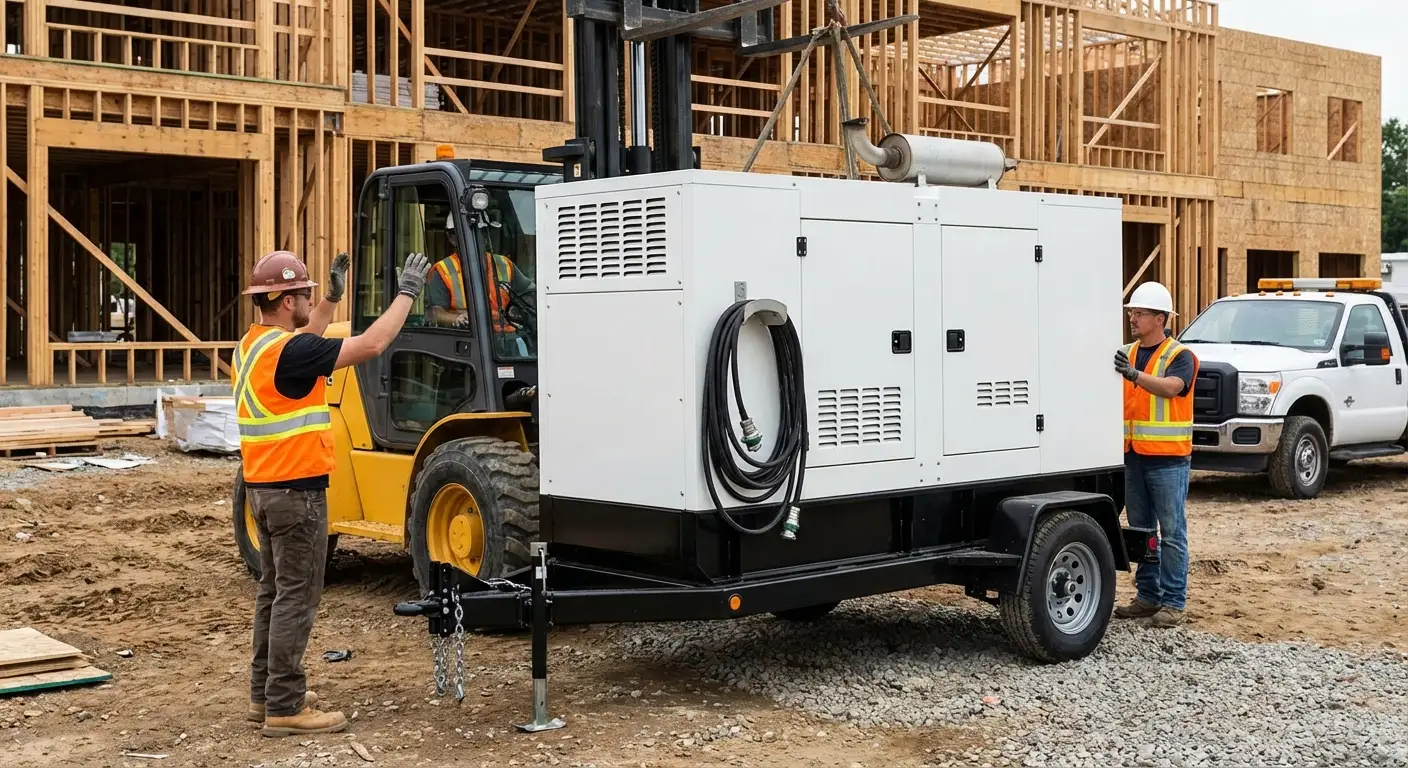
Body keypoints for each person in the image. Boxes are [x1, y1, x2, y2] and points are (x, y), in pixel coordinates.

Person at [237, 248, 431, 737]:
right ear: (286, 300)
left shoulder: (254, 345)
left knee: (274, 591)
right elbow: (372, 344)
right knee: (296, 598)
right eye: (304, 293)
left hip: (264, 490)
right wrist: (407, 294)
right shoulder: (290, 352)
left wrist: (328, 300)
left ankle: (265, 694)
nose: (309, 300)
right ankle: (285, 705)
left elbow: (307, 341)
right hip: (296, 493)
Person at [1113, 281, 1199, 628]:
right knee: (1142, 531)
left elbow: (1172, 388)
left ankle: (1174, 603)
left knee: (1172, 532)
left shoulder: (1180, 356)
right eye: (1131, 312)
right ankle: (1148, 597)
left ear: (1160, 318)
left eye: (1140, 313)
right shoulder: (1126, 353)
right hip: (1134, 455)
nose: (1132, 318)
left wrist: (1134, 375)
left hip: (1168, 459)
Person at [427, 215, 534, 342]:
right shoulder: (443, 270)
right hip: (468, 341)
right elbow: (435, 313)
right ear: (451, 238)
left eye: (480, 231)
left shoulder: (503, 264)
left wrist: (517, 310)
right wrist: (458, 319)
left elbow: (530, 294)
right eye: (467, 232)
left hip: (507, 340)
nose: (476, 237)